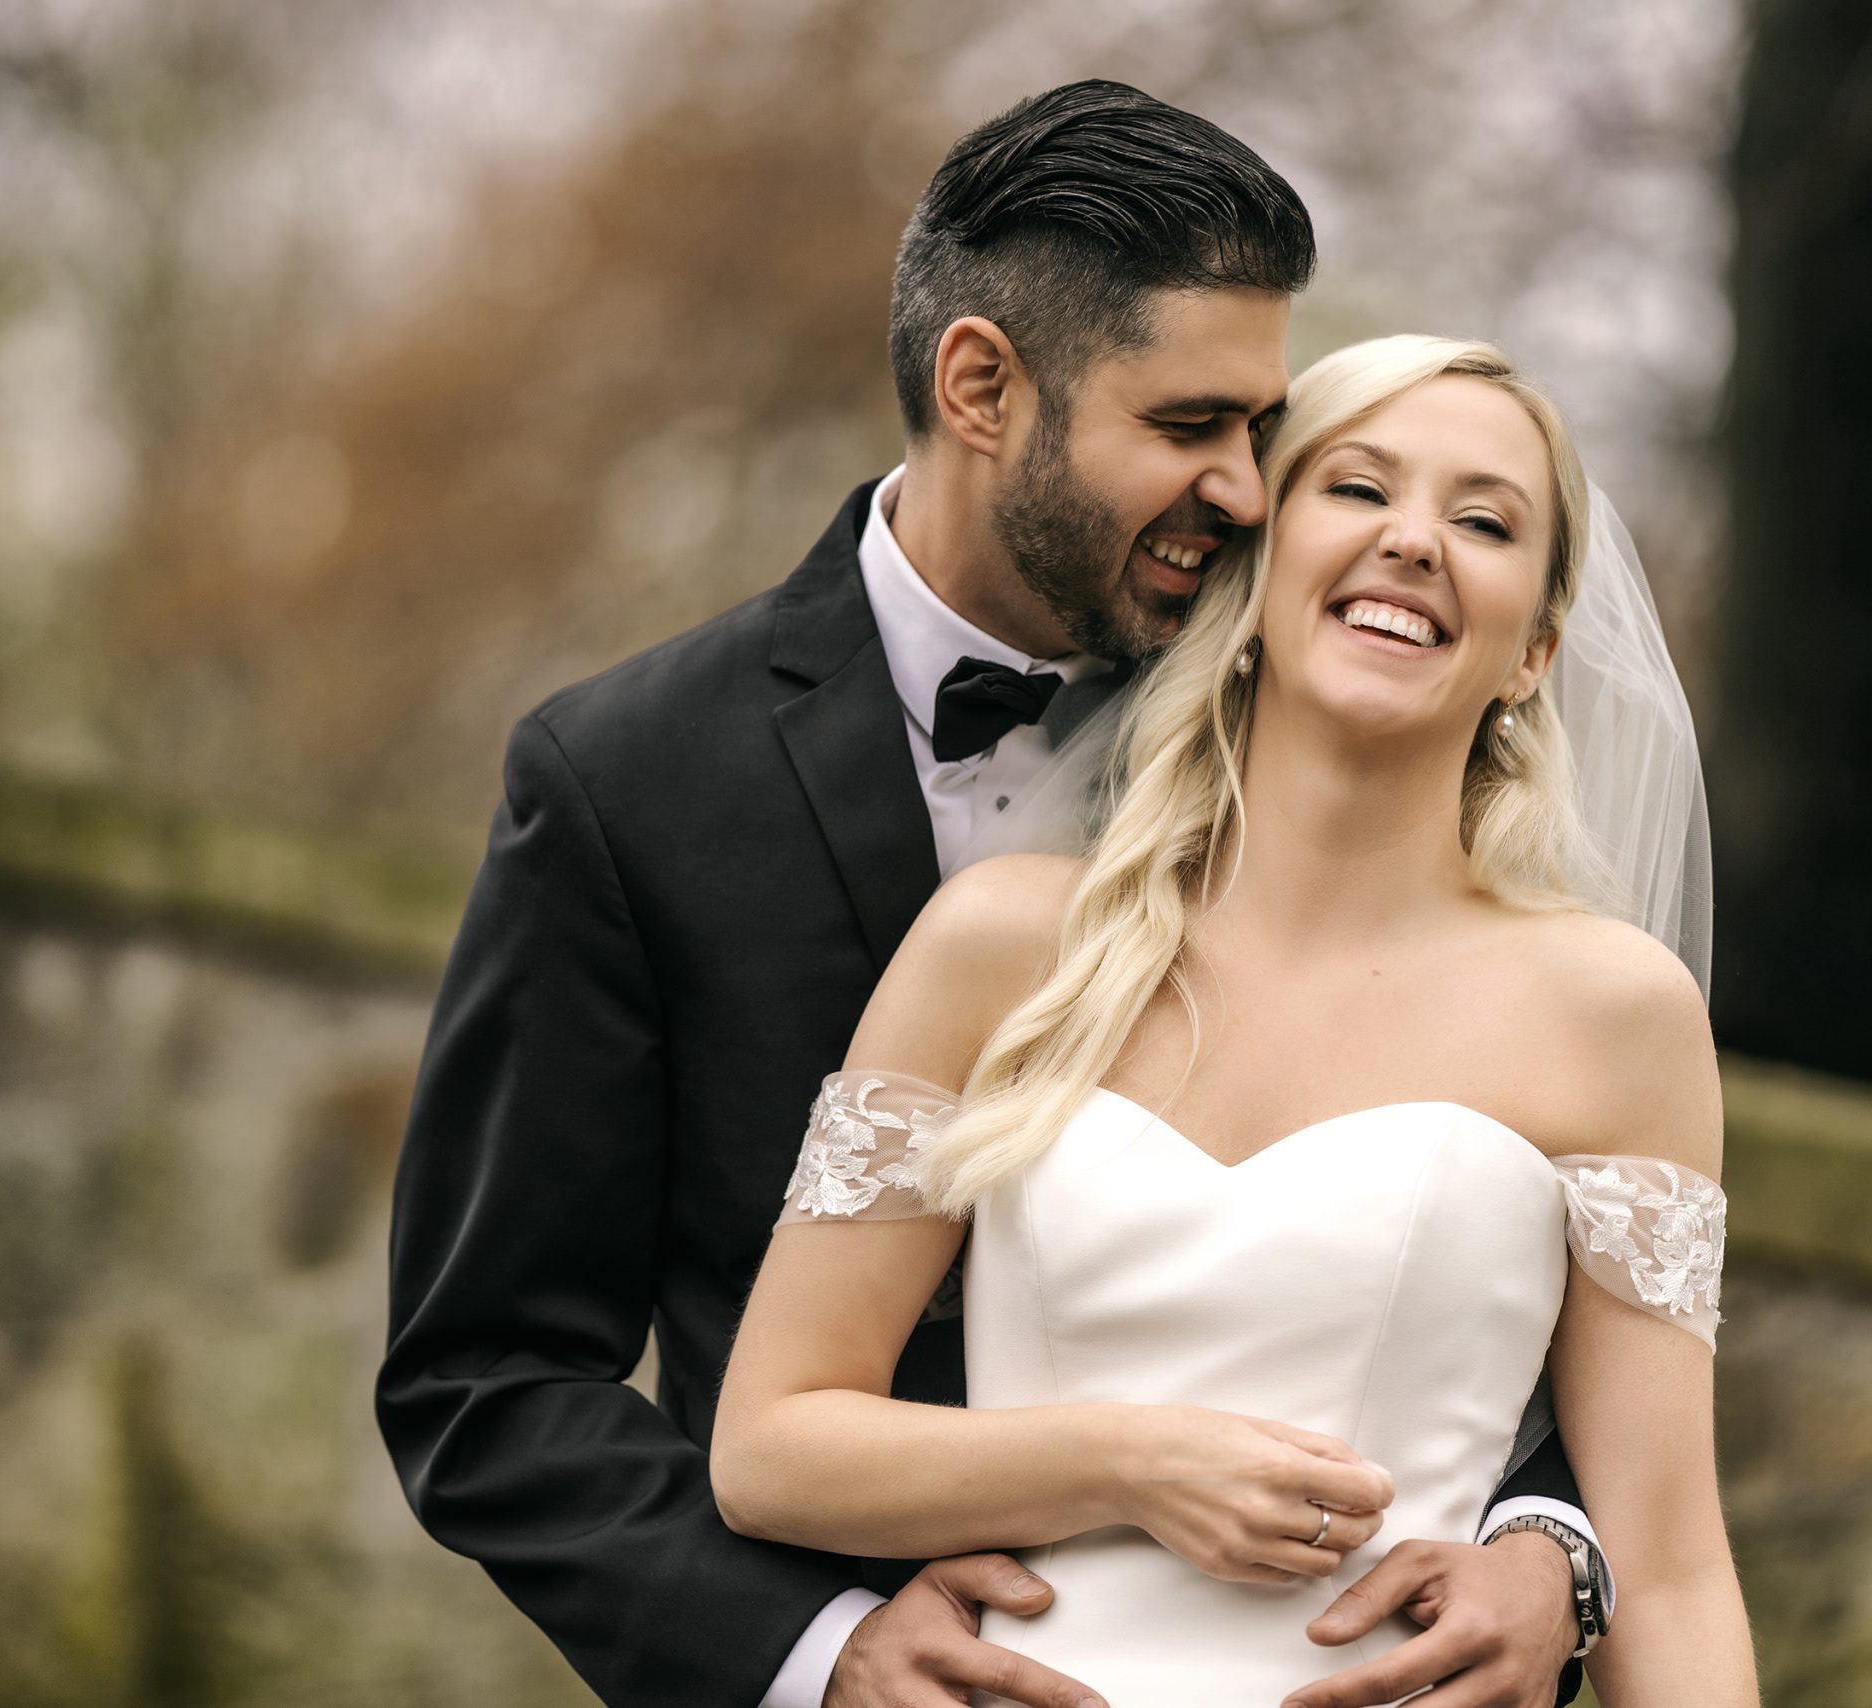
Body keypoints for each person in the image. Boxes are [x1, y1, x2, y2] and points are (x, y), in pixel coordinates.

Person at [378, 84, 1612, 1708]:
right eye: (1189, 428)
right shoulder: (628, 782)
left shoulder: (1318, 698)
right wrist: (816, 1659)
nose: (1245, 491)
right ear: (981, 386)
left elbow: (1532, 1231)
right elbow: (491, 1374)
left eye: (1261, 429)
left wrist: (1554, 1553)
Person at [711, 335, 1759, 1707]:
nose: (1416, 543)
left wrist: (1560, 1563)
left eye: (1485, 520)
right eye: (1360, 489)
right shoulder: (1007, 944)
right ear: (1256, 574)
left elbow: (1670, 1571)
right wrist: (1126, 1464)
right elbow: (769, 1446)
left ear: (1536, 651)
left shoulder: (1614, 1015)